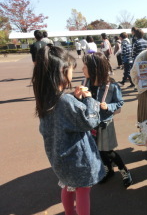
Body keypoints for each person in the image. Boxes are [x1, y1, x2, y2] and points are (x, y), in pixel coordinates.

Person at [31, 45, 105, 215]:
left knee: (67, 187)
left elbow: (64, 118)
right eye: (71, 70)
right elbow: (89, 121)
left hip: (59, 156)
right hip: (77, 159)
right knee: (83, 190)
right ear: (63, 72)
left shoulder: (45, 98)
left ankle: (69, 213)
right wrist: (89, 100)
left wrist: (75, 98)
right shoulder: (65, 101)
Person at [82, 52, 133, 188]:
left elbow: (119, 102)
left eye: (85, 67)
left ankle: (124, 170)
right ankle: (108, 170)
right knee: (97, 149)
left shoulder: (111, 85)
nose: (82, 69)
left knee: (108, 151)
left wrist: (108, 106)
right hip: (90, 123)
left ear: (95, 69)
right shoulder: (85, 82)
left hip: (105, 123)